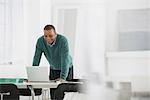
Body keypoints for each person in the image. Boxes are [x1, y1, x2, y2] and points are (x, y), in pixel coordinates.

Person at [32, 24, 73, 99]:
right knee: (53, 95)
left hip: (67, 68)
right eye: (46, 36)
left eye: (51, 35)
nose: (48, 38)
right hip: (53, 68)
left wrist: (63, 77)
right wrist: (33, 75)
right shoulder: (40, 41)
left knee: (63, 94)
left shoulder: (63, 41)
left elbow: (65, 60)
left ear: (55, 34)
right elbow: (36, 58)